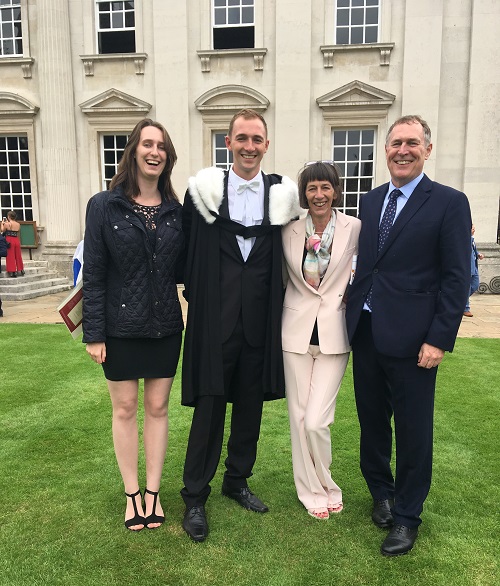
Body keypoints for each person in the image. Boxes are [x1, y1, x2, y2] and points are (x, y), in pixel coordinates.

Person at [346, 115, 471, 556]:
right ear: (386, 150)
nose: (403, 150)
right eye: (396, 143)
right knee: (373, 422)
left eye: (412, 143)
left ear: (427, 150)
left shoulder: (449, 203)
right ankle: (381, 493)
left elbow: (457, 279)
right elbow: (368, 263)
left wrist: (439, 338)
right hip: (366, 330)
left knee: (414, 431)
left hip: (417, 340)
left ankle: (407, 516)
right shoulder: (372, 199)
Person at [180, 108, 301, 542]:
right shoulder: (204, 192)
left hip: (260, 323)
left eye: (257, 139)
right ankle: (195, 495)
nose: (250, 146)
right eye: (242, 138)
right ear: (228, 142)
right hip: (216, 322)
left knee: (248, 410)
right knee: (210, 411)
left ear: (266, 145)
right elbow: (186, 255)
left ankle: (237, 481)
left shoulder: (282, 196)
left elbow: (293, 258)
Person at [82, 118, 185, 531]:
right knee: (124, 409)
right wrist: (94, 333)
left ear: (167, 156)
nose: (154, 151)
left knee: (158, 409)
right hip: (119, 327)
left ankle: (154, 493)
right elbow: (94, 272)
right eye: (147, 144)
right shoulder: (104, 206)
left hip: (165, 327)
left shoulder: (177, 212)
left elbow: (190, 268)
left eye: (161, 145)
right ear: (133, 151)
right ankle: (132, 495)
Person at [282, 161, 360, 519]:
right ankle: (310, 491)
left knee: (317, 420)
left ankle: (326, 482)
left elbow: (369, 269)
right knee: (299, 419)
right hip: (295, 332)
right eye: (312, 188)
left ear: (336, 191)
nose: (318, 195)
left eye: (325, 188)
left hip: (335, 332)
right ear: (304, 193)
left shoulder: (354, 227)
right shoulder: (288, 230)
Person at [463, 225, 484, 317]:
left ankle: (460, 299)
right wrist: (470, 236)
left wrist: (478, 254)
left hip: (474, 265)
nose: (474, 229)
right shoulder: (466, 239)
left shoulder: (472, 239)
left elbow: (473, 249)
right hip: (468, 265)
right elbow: (466, 248)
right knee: (467, 287)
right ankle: (466, 308)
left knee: (475, 285)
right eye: (472, 227)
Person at [1, 210, 25, 277]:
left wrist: (2, 223)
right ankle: (21, 269)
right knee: (18, 255)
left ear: (9, 216)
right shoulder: (18, 224)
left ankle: (12, 271)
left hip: (9, 239)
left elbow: (2, 230)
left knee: (10, 255)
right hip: (16, 239)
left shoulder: (7, 224)